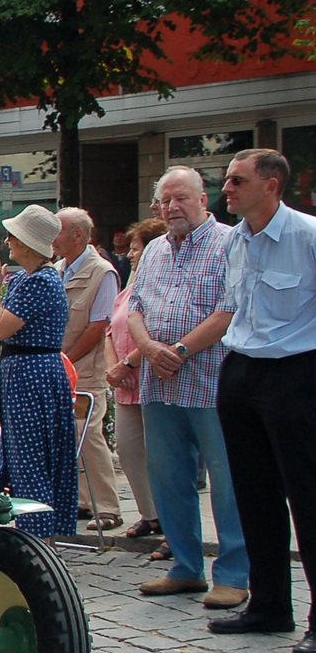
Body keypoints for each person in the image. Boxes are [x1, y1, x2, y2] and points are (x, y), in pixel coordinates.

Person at [209, 149, 316, 653]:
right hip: (241, 367)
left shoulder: (307, 236)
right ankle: (270, 604)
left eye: (237, 180)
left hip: (296, 372)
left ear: (271, 185)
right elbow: (235, 307)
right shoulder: (236, 240)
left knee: (308, 495)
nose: (226, 189)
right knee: (252, 492)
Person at [128, 165, 248, 609]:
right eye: (165, 200)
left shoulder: (229, 243)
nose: (173, 207)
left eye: (182, 198)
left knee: (228, 479)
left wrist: (176, 350)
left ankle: (234, 573)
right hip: (159, 384)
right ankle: (185, 566)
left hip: (211, 380)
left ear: (203, 199)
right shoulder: (156, 249)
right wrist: (147, 347)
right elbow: (134, 306)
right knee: (168, 476)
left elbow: (228, 309)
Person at [0, 204, 79, 537]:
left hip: (33, 376)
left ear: (27, 243)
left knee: (31, 463)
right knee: (20, 457)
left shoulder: (39, 281)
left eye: (13, 236)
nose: (8, 241)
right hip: (26, 373)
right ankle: (24, 533)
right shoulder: (29, 279)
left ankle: (37, 537)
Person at [52, 207, 124, 531]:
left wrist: (64, 359)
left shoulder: (102, 272)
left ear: (78, 235)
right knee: (70, 434)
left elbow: (98, 326)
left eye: (58, 229)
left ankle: (108, 506)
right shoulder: (57, 269)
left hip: (87, 371)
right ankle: (82, 501)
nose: (53, 237)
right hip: (62, 368)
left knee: (89, 433)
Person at [103, 218, 167, 545]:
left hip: (151, 379)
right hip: (125, 384)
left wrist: (129, 363)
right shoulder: (128, 287)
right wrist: (115, 368)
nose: (129, 254)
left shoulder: (159, 284)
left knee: (161, 455)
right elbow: (111, 331)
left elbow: (157, 332)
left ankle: (170, 519)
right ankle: (149, 513)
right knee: (128, 450)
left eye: (135, 247)